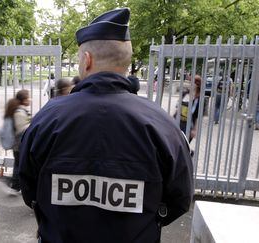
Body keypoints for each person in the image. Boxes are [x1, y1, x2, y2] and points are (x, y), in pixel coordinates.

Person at [18, 8, 193, 243]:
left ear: (87, 60)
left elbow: (29, 190)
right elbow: (180, 199)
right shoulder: (161, 124)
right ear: (127, 63)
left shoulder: (47, 118)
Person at [2, 89, 31, 193]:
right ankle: (15, 186)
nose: (30, 99)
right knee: (19, 165)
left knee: (18, 164)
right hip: (19, 145)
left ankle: (16, 185)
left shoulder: (20, 111)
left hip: (18, 145)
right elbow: (22, 130)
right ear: (23, 100)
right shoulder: (19, 112)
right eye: (28, 98)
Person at [174, 75, 202, 142]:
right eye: (189, 82)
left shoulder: (198, 99)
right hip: (177, 123)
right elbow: (177, 109)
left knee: (183, 146)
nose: (189, 84)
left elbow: (197, 116)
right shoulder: (184, 94)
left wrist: (194, 129)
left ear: (197, 85)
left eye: (192, 83)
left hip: (188, 127)